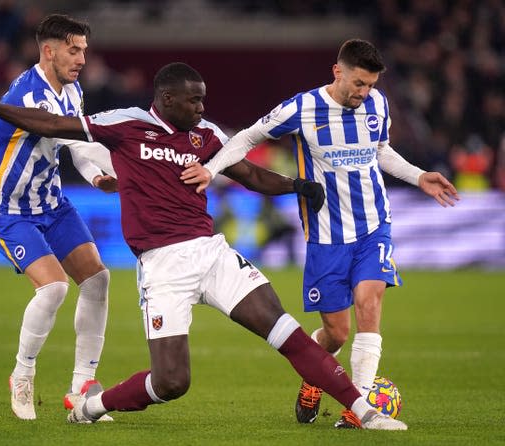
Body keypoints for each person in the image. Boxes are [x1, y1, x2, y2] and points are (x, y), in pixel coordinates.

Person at [0, 62, 408, 430]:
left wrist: (296, 186)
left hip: (212, 253)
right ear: (166, 99)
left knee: (285, 331)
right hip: (163, 266)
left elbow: (248, 173)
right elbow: (50, 123)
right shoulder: (124, 126)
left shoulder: (206, 138)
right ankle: (90, 407)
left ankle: (364, 410)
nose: (202, 109)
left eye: (203, 100)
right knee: (171, 382)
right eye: (194, 101)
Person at [180, 39, 460, 428]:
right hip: (327, 235)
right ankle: (313, 380)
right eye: (358, 84)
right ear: (337, 72)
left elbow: (379, 151)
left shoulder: (377, 104)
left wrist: (418, 176)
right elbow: (247, 137)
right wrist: (211, 170)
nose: (364, 93)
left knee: (369, 301)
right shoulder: (302, 108)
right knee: (336, 332)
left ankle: (358, 410)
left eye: (371, 85)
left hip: (374, 224)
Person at [0, 14, 117, 421]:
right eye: (74, 49)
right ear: (48, 51)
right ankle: (23, 373)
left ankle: (82, 387)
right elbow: (65, 132)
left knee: (98, 279)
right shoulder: (32, 97)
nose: (82, 58)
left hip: (50, 203)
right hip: (9, 210)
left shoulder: (72, 89)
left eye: (84, 49)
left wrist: (98, 174)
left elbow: (77, 145)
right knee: (53, 289)